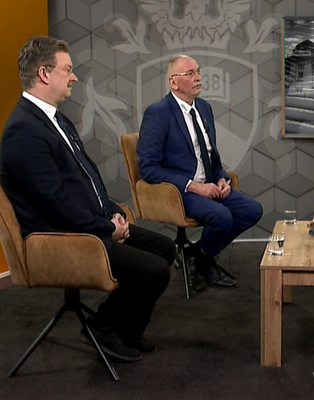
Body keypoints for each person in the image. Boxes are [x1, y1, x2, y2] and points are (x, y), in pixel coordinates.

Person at [0, 36, 176, 361]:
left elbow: (86, 179)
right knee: (154, 270)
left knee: (164, 248)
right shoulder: (23, 131)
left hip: (88, 224)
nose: (74, 77)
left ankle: (123, 329)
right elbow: (53, 204)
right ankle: (105, 326)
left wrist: (112, 213)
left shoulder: (56, 119)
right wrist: (106, 228)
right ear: (44, 74)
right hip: (62, 237)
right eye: (67, 69)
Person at [137, 55, 263, 290]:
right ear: (173, 82)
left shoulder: (204, 108)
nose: (198, 78)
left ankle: (197, 255)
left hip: (209, 184)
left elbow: (210, 156)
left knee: (251, 210)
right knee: (221, 216)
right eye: (190, 73)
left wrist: (222, 178)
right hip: (180, 191)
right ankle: (206, 262)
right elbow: (148, 168)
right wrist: (193, 186)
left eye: (198, 71)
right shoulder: (158, 113)